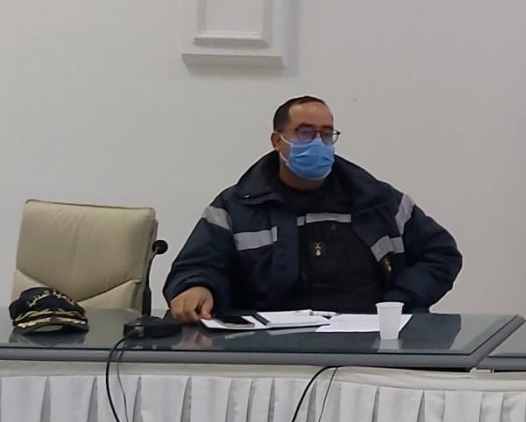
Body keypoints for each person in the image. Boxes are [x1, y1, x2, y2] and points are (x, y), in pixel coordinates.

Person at [163, 96, 464, 323]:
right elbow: (197, 265)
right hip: (266, 347)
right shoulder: (236, 206)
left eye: (326, 134)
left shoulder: (378, 201)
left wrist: (398, 303)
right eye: (305, 133)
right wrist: (197, 287)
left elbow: (441, 254)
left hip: (369, 343)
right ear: (277, 141)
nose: (318, 143)